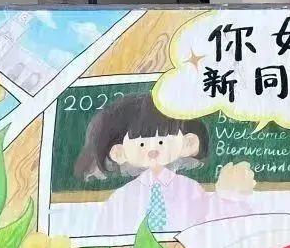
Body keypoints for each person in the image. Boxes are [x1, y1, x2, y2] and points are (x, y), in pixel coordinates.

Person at [73, 92, 255, 233]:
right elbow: (106, 231)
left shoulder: (189, 189)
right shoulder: (123, 196)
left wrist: (228, 195)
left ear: (188, 143)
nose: (153, 150)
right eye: (141, 144)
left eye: (162, 142)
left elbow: (210, 222)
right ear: (119, 152)